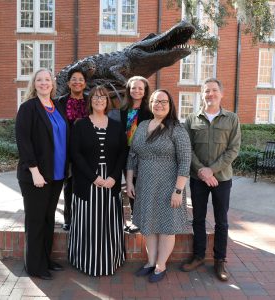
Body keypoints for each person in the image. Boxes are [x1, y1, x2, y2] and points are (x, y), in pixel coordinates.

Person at [126, 89, 191, 283]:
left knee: (166, 227)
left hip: (169, 186)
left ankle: (161, 265)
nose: (159, 104)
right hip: (145, 184)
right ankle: (150, 262)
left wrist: (178, 190)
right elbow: (132, 155)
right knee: (150, 225)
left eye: (163, 101)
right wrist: (129, 181)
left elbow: (185, 161)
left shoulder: (176, 129)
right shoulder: (144, 125)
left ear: (170, 105)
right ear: (150, 104)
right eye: (155, 101)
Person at [183, 78, 241, 281]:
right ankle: (199, 255)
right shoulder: (191, 119)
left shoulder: (232, 119)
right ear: (202, 94)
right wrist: (201, 171)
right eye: (206, 91)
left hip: (222, 179)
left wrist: (211, 170)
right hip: (198, 179)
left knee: (221, 222)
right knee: (198, 219)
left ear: (221, 93)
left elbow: (233, 149)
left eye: (214, 90)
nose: (211, 94)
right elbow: (187, 149)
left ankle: (220, 260)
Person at [16, 68, 69, 280]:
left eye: (47, 79)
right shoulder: (28, 108)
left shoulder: (57, 107)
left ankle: (45, 259)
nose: (44, 83)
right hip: (35, 176)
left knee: (48, 219)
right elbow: (24, 141)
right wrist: (34, 171)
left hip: (56, 175)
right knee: (36, 220)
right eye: (39, 80)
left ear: (53, 83)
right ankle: (34, 266)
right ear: (34, 83)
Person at [69, 85, 126, 276]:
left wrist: (113, 177)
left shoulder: (117, 126)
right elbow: (75, 155)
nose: (99, 100)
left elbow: (122, 154)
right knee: (88, 223)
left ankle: (110, 260)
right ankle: (86, 261)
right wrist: (94, 178)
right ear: (90, 101)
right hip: (87, 182)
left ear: (107, 102)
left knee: (109, 223)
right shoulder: (80, 125)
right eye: (95, 97)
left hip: (111, 182)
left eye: (102, 97)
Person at [120, 76, 153, 233]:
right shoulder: (123, 109)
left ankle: (145, 218)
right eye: (134, 88)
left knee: (142, 185)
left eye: (140, 88)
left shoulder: (150, 111)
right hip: (125, 153)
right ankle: (134, 217)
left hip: (144, 154)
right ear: (129, 89)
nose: (137, 91)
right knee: (130, 185)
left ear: (145, 91)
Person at [58, 68, 88, 231]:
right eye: (74, 79)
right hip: (67, 149)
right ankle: (68, 218)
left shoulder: (91, 100)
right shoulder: (60, 102)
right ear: (69, 83)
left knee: (86, 183)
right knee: (69, 184)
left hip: (87, 150)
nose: (77, 82)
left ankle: (84, 216)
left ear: (85, 84)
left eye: (81, 79)